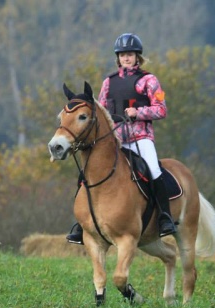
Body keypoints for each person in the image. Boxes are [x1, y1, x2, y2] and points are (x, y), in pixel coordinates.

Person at [66, 33, 176, 244]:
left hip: (141, 138)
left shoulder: (149, 80)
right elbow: (99, 112)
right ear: (118, 57)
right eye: (123, 54)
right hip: (115, 140)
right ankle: (81, 224)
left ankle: (165, 218)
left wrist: (139, 112)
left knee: (153, 169)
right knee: (86, 174)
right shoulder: (109, 82)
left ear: (137, 57)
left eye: (130, 54)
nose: (126, 58)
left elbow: (161, 109)